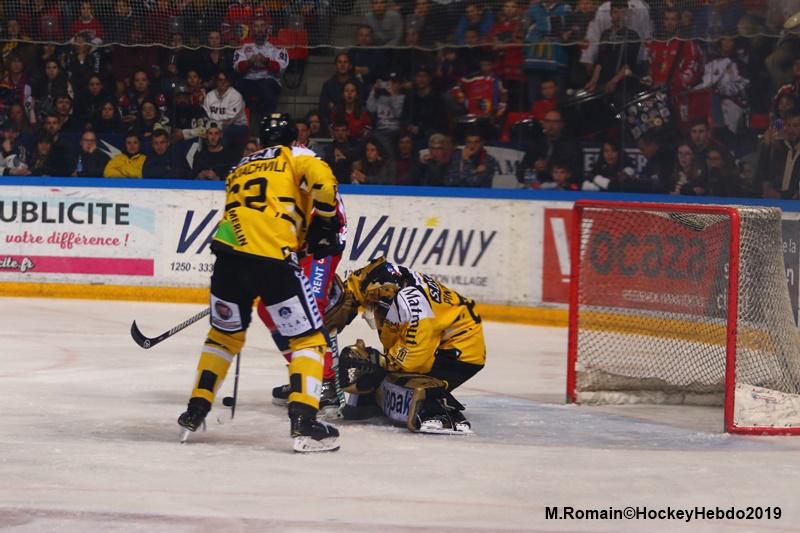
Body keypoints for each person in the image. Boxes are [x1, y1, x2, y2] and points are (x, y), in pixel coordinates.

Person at [177, 113, 344, 452]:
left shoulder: (240, 167)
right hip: (273, 259)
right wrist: (325, 222)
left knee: (222, 337)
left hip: (228, 258)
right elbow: (325, 184)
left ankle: (196, 409)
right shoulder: (296, 156)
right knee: (309, 339)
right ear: (292, 139)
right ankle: (305, 422)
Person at [325, 256, 486, 434]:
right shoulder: (378, 277)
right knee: (380, 378)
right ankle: (372, 402)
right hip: (432, 337)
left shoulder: (415, 307)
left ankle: (441, 413)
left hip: (459, 351)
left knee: (408, 383)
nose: (370, 303)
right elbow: (355, 287)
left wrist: (379, 362)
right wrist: (340, 305)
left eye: (375, 301)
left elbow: (416, 361)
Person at [233, 17, 288, 118]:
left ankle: (267, 119)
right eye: (256, 26)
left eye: (262, 26)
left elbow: (280, 68)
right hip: (249, 80)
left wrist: (266, 61)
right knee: (237, 86)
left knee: (265, 88)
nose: (259, 29)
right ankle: (243, 118)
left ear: (267, 27)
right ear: (252, 28)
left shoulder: (277, 43)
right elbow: (237, 68)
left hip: (270, 80)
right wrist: (249, 62)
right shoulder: (244, 44)